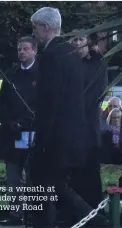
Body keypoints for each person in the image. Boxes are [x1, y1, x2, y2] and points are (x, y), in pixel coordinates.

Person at [28, 7, 109, 228]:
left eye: (35, 27)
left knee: (46, 185)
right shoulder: (71, 55)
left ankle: (96, 221)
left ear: (45, 27)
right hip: (74, 135)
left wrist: (41, 140)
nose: (33, 32)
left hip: (57, 137)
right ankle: (93, 219)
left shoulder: (52, 55)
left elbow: (50, 102)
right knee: (54, 186)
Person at [0, 36, 39, 226]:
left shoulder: (42, 74)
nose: (21, 52)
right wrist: (8, 123)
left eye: (26, 49)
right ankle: (15, 213)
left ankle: (34, 213)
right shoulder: (10, 74)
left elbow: (43, 104)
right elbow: (1, 101)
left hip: (34, 133)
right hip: (12, 134)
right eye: (19, 49)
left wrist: (24, 122)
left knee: (33, 176)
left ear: (34, 51)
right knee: (13, 176)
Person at [67, 33, 108, 211]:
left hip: (88, 123)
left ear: (87, 43)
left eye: (80, 39)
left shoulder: (97, 63)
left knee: (90, 168)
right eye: (74, 40)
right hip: (70, 124)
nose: (77, 43)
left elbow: (98, 91)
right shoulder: (66, 63)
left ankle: (92, 208)